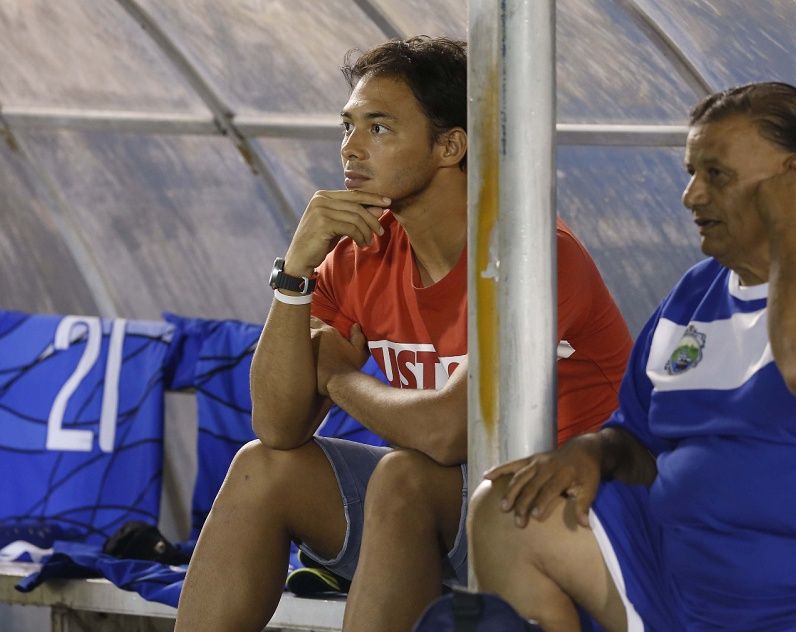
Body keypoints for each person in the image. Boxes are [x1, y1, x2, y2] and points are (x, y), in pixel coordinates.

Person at [175, 36, 631, 632]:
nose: (351, 147)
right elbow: (278, 425)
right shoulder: (362, 250)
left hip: (571, 518)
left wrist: (338, 378)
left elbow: (446, 433)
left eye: (379, 128)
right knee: (263, 467)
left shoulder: (531, 254)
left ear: (450, 146)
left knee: (407, 473)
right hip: (452, 511)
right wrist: (295, 275)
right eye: (348, 126)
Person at [468, 81, 796, 632]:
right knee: (512, 506)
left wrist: (790, 233)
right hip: (675, 577)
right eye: (691, 172)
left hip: (779, 601)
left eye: (717, 175)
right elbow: (639, 438)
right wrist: (593, 450)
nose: (691, 196)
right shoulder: (694, 294)